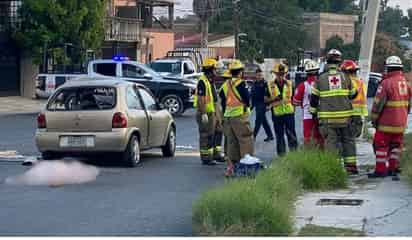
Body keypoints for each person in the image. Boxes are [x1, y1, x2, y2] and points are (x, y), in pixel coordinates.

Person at [310, 49, 359, 174]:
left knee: (331, 143)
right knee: (348, 141)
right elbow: (353, 95)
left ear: (327, 61)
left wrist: (313, 112)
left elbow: (314, 99)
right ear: (339, 62)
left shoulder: (320, 79)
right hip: (346, 118)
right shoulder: (346, 77)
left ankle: (333, 169)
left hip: (328, 119)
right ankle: (351, 168)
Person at [369, 56, 412, 180]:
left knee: (380, 146)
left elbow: (377, 103)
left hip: (386, 124)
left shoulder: (386, 83)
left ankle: (380, 170)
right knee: (395, 147)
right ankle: (393, 169)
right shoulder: (406, 83)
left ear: (388, 68)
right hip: (401, 124)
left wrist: (374, 119)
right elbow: (408, 105)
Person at [219, 60, 254, 176]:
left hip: (228, 117)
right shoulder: (241, 83)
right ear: (240, 73)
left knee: (231, 143)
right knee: (245, 140)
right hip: (239, 116)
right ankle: (247, 167)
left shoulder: (225, 85)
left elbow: (223, 103)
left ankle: (231, 168)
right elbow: (247, 99)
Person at [193, 58, 223, 165]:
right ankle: (206, 157)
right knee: (207, 134)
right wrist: (204, 113)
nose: (216, 71)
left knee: (218, 131)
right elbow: (201, 99)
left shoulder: (210, 81)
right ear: (210, 70)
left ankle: (216, 154)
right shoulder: (202, 81)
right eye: (215, 69)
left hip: (214, 111)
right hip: (206, 112)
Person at [266, 63, 298, 156]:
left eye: (282, 74)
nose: (280, 76)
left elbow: (293, 99)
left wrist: (293, 110)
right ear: (275, 74)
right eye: (278, 74)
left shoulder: (290, 84)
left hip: (289, 114)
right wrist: (274, 99)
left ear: (285, 74)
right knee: (279, 136)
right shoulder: (269, 85)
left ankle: (294, 155)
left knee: (291, 134)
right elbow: (265, 99)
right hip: (277, 114)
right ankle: (282, 156)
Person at [293, 59, 324, 147]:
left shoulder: (302, 86)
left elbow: (295, 102)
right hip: (321, 114)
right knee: (321, 137)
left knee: (308, 137)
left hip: (307, 115)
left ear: (306, 72)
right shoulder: (322, 83)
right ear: (318, 71)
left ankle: (310, 156)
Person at [341, 60, 368, 139]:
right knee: (352, 138)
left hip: (346, 113)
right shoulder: (360, 82)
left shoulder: (345, 82)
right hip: (357, 114)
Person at [251, 68, 274, 142]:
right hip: (256, 104)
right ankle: (270, 136)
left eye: (260, 75)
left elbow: (269, 95)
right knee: (263, 121)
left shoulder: (265, 83)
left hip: (263, 104)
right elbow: (252, 95)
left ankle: (253, 136)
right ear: (256, 75)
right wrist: (251, 107)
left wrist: (269, 105)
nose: (259, 76)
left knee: (258, 120)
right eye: (258, 75)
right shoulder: (254, 84)